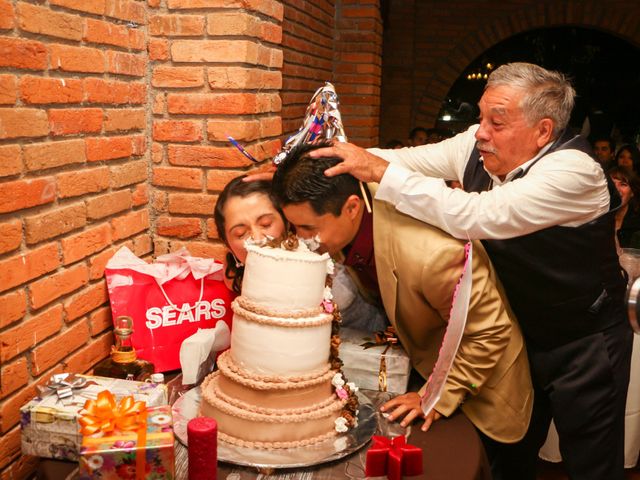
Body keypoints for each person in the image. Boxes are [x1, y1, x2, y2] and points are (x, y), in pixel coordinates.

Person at [309, 62, 632, 480]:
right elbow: (404, 160)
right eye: (481, 117)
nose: (480, 131)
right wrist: (329, 161)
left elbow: (473, 214)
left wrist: (378, 171)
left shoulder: (575, 172)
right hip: (518, 330)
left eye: (497, 122)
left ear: (543, 131)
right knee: (512, 450)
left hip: (584, 340)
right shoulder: (475, 146)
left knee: (591, 462)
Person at [272, 142, 533, 477]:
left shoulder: (431, 255)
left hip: (480, 387)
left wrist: (437, 397)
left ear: (352, 208)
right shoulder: (350, 207)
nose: (302, 238)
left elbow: (490, 332)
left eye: (308, 228)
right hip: (423, 359)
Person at [213, 175, 387, 331]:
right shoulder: (238, 278)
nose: (257, 238)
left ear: (287, 221)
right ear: (227, 244)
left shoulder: (319, 250)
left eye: (266, 224)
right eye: (240, 234)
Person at [609, 166, 640, 250]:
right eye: (612, 184)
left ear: (632, 193)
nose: (617, 189)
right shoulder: (594, 218)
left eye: (623, 184)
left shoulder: (637, 224)